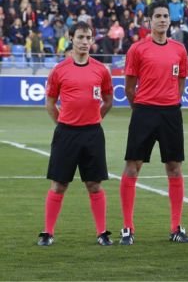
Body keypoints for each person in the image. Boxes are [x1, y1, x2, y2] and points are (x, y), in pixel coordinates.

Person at [120, 0, 188, 245]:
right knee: (133, 166)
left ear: (170, 20)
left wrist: (171, 99)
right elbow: (129, 87)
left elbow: (181, 81)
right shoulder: (137, 49)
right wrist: (141, 108)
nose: (162, 20)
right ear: (149, 21)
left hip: (171, 113)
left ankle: (176, 228)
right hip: (144, 112)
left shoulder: (179, 49)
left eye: (165, 16)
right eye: (158, 16)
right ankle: (127, 228)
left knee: (174, 167)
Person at [37, 21, 114, 246]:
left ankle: (102, 233)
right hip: (66, 134)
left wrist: (95, 118)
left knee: (94, 184)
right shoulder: (59, 70)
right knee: (59, 184)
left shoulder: (101, 70)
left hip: (93, 133)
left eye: (88, 38)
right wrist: (63, 124)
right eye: (80, 37)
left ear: (92, 41)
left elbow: (108, 100)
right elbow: (50, 103)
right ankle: (48, 233)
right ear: (71, 39)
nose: (84, 42)